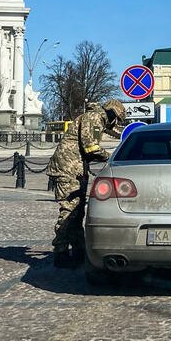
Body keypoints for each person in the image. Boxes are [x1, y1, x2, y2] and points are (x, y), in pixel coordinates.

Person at [47, 99, 126, 268]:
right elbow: (91, 148)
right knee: (70, 211)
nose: (116, 122)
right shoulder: (94, 118)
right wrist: (112, 157)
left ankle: (78, 252)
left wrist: (130, 133)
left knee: (77, 212)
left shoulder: (97, 118)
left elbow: (113, 130)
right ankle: (60, 252)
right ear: (111, 113)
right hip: (68, 169)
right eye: (117, 118)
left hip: (76, 169)